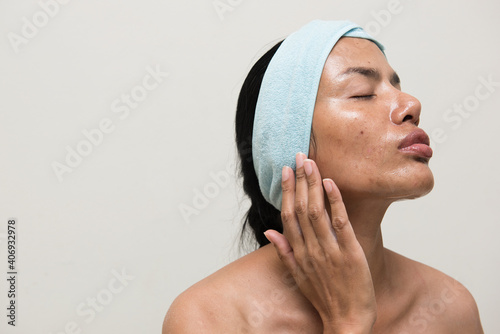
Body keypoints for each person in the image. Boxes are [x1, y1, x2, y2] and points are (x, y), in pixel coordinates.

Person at [162, 20, 483, 333]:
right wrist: (348, 323)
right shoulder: (211, 318)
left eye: (396, 86)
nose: (411, 104)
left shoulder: (449, 309)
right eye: (362, 93)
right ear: (290, 145)